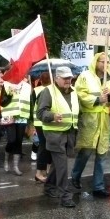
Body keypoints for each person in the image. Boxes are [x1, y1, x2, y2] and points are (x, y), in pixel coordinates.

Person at [70, 52, 110, 197]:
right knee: (85, 152)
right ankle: (75, 176)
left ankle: (98, 186)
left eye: (107, 62)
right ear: (96, 62)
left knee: (102, 154)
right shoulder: (85, 76)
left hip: (103, 120)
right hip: (90, 119)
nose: (105, 65)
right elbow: (80, 94)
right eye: (103, 61)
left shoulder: (109, 79)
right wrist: (97, 99)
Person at [37, 66, 79, 208]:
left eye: (70, 77)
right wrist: (52, 116)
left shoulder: (74, 92)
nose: (68, 80)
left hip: (69, 134)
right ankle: (65, 196)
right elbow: (40, 113)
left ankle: (49, 187)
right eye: (65, 78)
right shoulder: (47, 92)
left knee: (57, 164)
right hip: (54, 135)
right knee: (62, 166)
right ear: (56, 78)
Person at [0, 75, 31, 176]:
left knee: (18, 141)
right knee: (11, 140)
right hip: (10, 116)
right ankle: (6, 159)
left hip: (22, 116)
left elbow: (30, 102)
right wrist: (10, 93)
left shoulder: (27, 86)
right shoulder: (7, 84)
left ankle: (16, 166)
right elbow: (2, 102)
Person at [32, 72, 52, 183]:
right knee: (44, 147)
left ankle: (44, 171)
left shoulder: (36, 90)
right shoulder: (50, 90)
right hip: (44, 122)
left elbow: (32, 107)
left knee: (45, 147)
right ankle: (40, 172)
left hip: (40, 122)